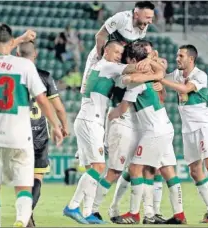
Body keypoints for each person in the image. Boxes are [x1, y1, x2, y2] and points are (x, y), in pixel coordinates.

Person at [0, 23, 63, 227]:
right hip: (19, 137)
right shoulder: (25, 66)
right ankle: (21, 222)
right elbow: (42, 100)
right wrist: (56, 126)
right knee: (23, 188)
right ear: (11, 42)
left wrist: (20, 39)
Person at [62, 40, 151, 224]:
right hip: (90, 121)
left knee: (90, 169)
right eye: (117, 52)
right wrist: (150, 59)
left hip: (88, 119)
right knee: (99, 167)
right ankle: (72, 206)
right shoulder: (108, 66)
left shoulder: (102, 68)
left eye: (121, 53)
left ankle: (87, 213)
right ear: (106, 52)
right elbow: (132, 69)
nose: (119, 56)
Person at [108, 41, 186, 224]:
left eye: (129, 61)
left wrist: (107, 119)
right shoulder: (151, 76)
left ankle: (134, 213)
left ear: (133, 60)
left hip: (154, 131)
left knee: (135, 168)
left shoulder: (136, 82)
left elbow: (122, 109)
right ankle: (178, 215)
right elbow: (160, 71)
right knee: (166, 170)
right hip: (164, 127)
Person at [159, 44, 208, 223]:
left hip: (203, 126)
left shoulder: (200, 75)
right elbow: (162, 78)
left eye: (181, 56)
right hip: (187, 129)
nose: (178, 59)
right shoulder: (176, 75)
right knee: (194, 170)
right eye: (177, 55)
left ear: (191, 59)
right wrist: (156, 64)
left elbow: (184, 89)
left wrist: (160, 80)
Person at [17, 40, 69, 227]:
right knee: (37, 178)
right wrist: (63, 126)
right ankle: (27, 214)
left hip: (17, 134)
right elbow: (59, 108)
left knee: (22, 180)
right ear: (35, 54)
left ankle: (24, 214)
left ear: (17, 56)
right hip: (39, 136)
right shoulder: (45, 76)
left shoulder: (13, 76)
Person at [80, 1, 155, 95]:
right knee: (87, 92)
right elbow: (100, 36)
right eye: (148, 17)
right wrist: (101, 60)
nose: (150, 21)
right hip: (101, 57)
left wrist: (148, 59)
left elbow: (142, 47)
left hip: (118, 61)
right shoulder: (121, 18)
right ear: (136, 14)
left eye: (151, 18)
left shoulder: (144, 25)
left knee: (109, 95)